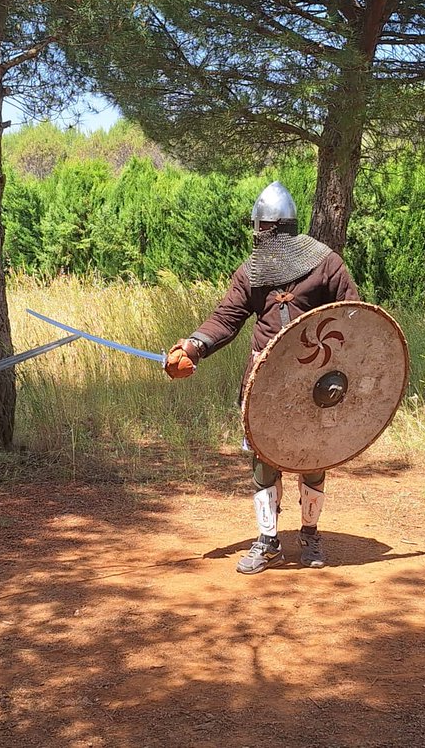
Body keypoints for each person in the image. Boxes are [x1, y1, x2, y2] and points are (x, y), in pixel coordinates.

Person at [163, 181, 360, 573]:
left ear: (268, 228)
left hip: (315, 381)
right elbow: (227, 318)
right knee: (264, 460)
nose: (257, 236)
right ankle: (268, 542)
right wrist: (193, 347)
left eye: (259, 228)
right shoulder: (251, 271)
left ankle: (310, 534)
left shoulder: (325, 263)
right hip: (265, 382)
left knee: (313, 456)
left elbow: (354, 316)